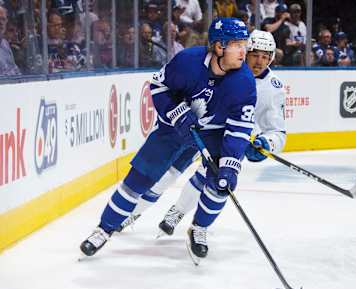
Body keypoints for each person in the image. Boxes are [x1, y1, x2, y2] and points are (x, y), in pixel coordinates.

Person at [80, 18, 256, 262]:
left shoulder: (245, 82)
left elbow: (239, 129)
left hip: (212, 133)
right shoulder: (188, 62)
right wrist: (177, 114)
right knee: (137, 181)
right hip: (173, 129)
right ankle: (104, 229)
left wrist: (230, 165)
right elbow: (158, 86)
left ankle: (199, 228)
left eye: (244, 44)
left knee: (221, 182)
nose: (243, 51)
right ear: (219, 47)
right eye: (237, 45)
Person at [117, 31, 286, 256]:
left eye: (266, 57)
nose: (260, 62)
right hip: (195, 129)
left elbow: (277, 131)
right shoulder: (223, 69)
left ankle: (178, 214)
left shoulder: (273, 87)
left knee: (211, 179)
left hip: (224, 140)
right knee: (165, 174)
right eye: (256, 54)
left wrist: (266, 143)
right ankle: (132, 212)